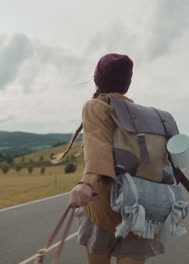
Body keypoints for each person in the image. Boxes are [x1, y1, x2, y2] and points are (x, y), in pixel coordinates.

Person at [53, 53, 164, 264]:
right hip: (142, 207)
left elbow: (99, 148)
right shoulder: (145, 115)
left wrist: (86, 184)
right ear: (127, 83)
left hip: (103, 205)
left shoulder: (96, 105)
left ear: (98, 78)